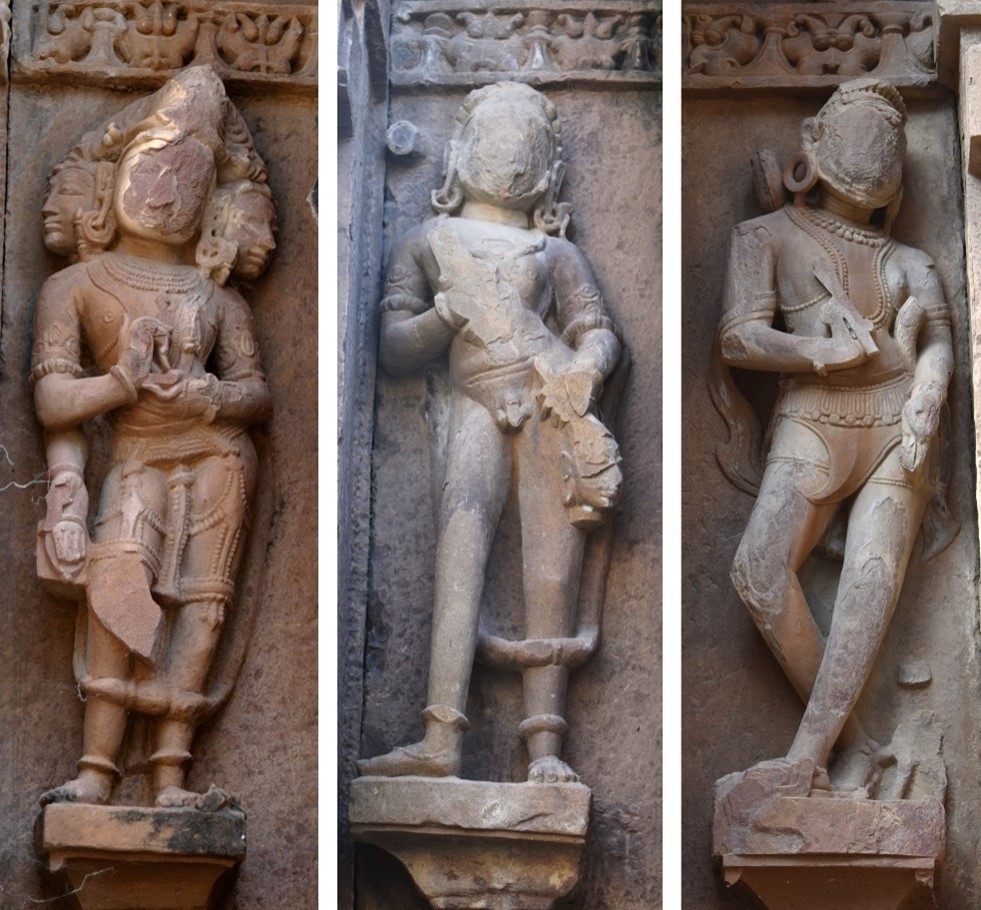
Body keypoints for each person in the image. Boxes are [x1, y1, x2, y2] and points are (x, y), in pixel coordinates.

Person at [357, 82, 623, 784]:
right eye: (493, 138)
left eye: (523, 144)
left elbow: (595, 331)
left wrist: (583, 374)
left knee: (550, 567)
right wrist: (444, 317)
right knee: (460, 548)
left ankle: (545, 748)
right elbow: (392, 345)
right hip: (473, 406)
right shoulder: (429, 242)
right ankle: (440, 736)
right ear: (458, 156)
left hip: (546, 404)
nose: (507, 154)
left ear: (545, 171)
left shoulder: (552, 252)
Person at [33, 66, 274, 808]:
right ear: (108, 188)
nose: (165, 192)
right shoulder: (76, 285)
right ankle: (97, 768)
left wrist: (208, 395)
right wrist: (121, 385)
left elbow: (257, 394)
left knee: (202, 601)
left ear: (213, 208)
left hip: (217, 459)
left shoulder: (218, 297)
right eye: (149, 169)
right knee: (120, 583)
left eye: (186, 179)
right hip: (133, 453)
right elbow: (51, 401)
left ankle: (170, 770)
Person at [717, 78, 953, 794]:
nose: (873, 149)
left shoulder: (909, 261)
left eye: (887, 142)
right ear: (814, 148)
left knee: (868, 585)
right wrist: (819, 353)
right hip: (813, 416)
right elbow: (738, 338)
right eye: (859, 131)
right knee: (757, 571)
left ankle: (807, 759)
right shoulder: (767, 236)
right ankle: (857, 745)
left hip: (895, 423)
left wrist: (929, 389)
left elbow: (937, 336)